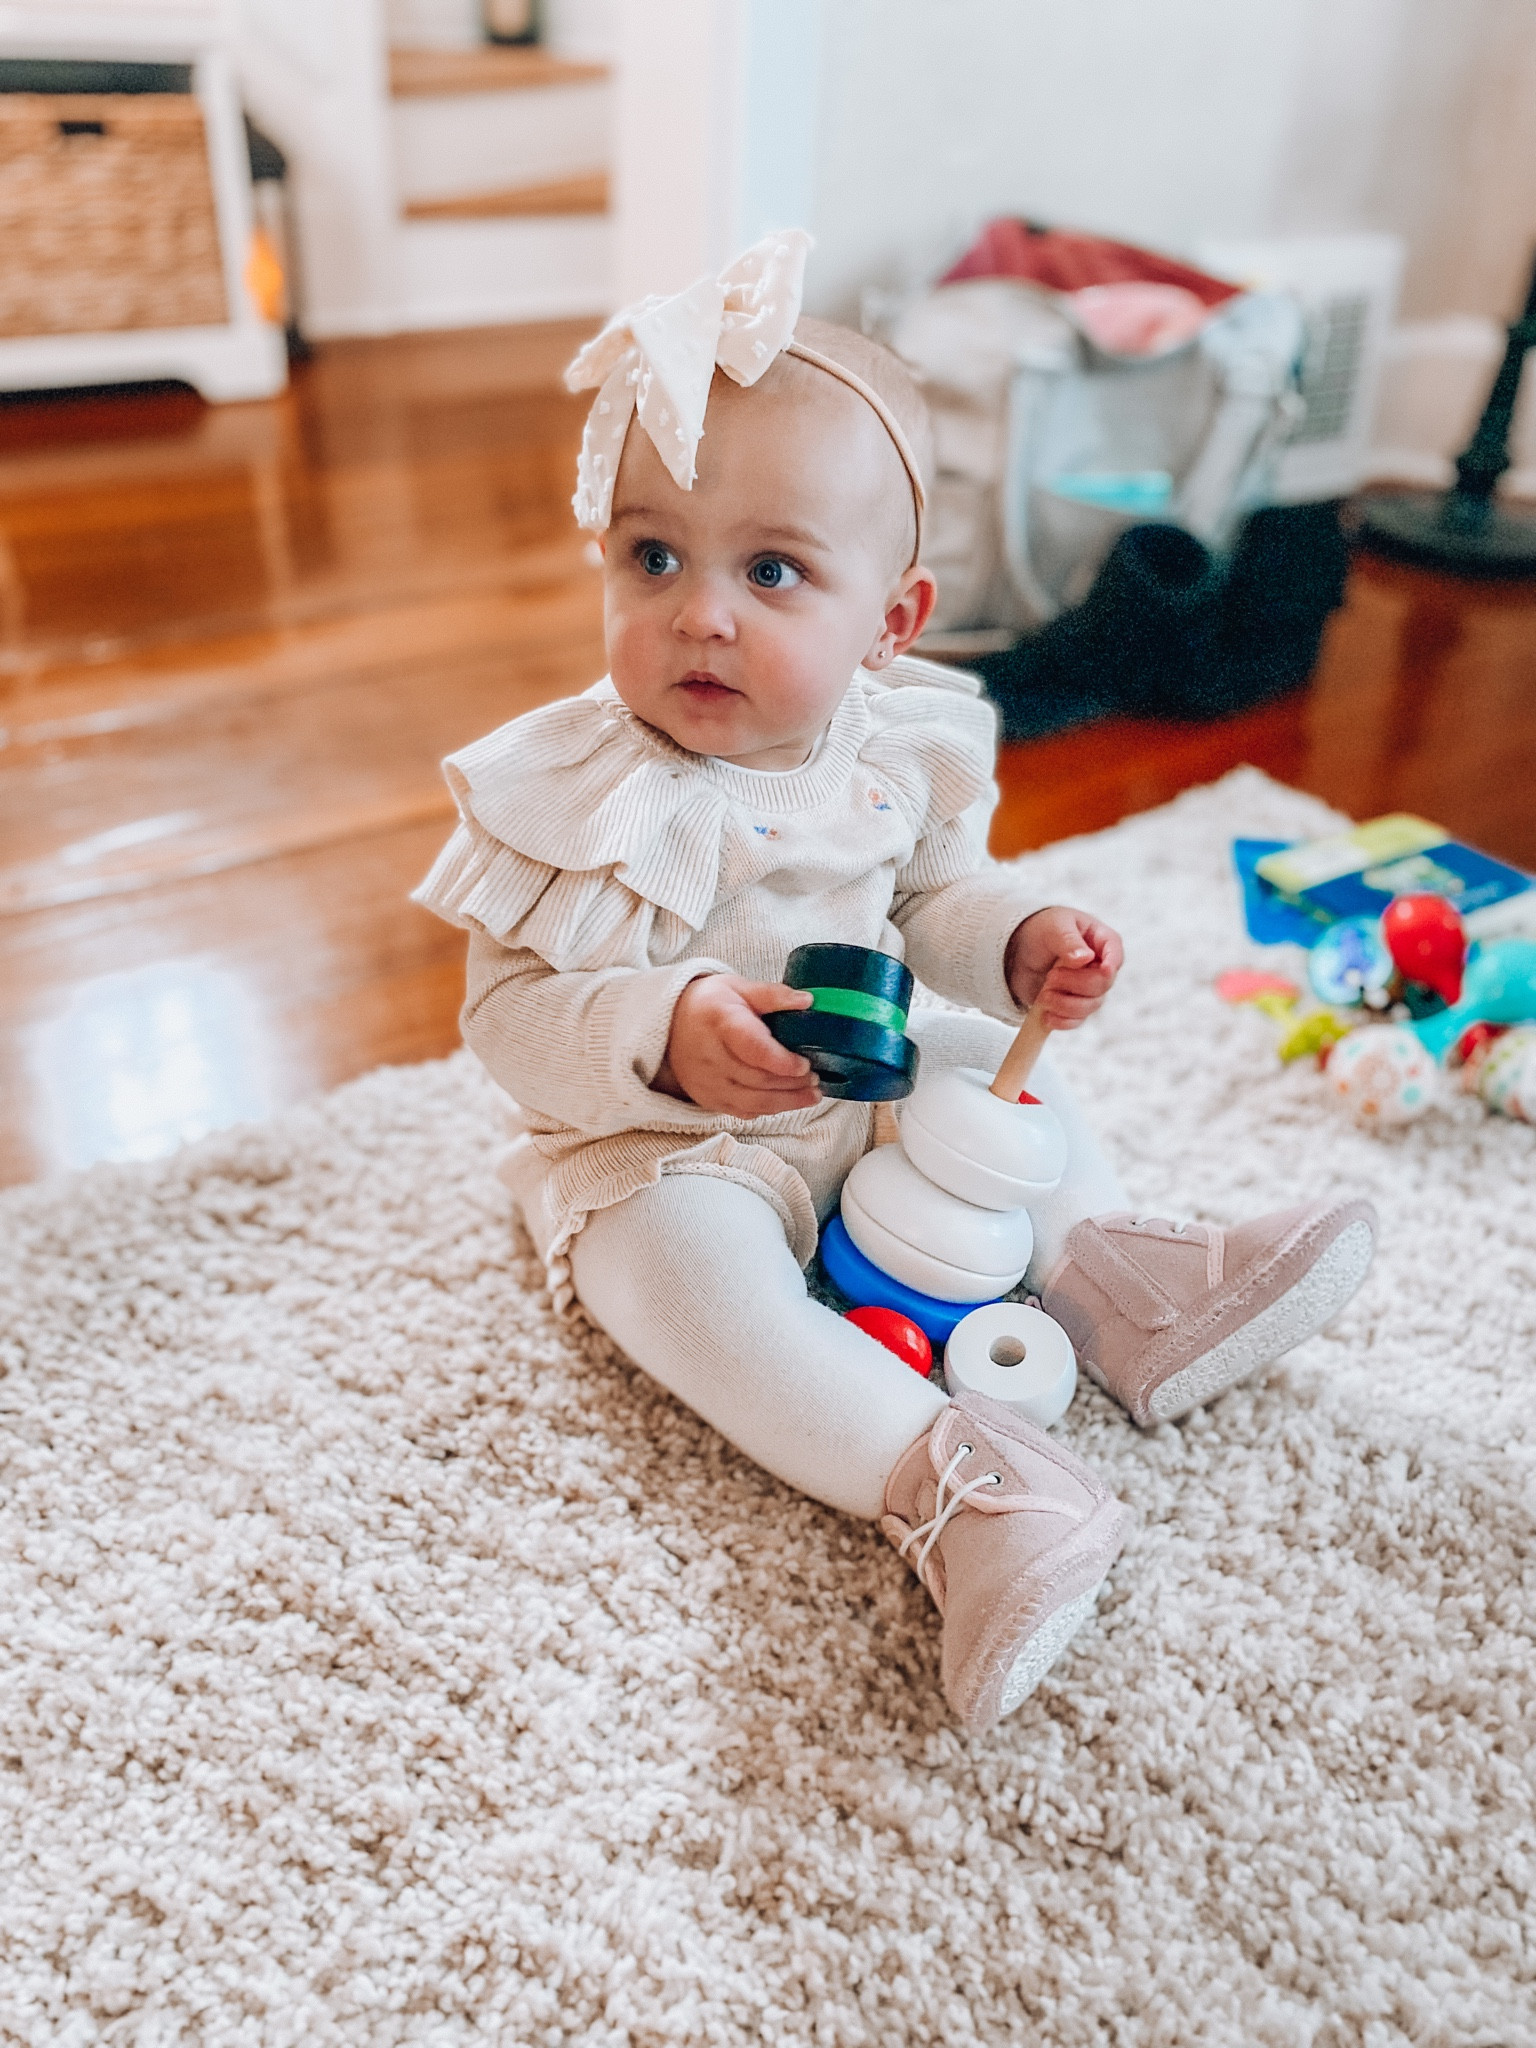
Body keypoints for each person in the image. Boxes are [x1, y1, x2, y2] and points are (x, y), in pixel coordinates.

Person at [415, 233, 1376, 1733]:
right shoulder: (579, 787)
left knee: (1000, 1083)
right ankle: (958, 1488)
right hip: (665, 1149)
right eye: (652, 555)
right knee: (679, 1280)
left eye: (774, 570)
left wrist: (1019, 941)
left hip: (861, 1097)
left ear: (895, 622)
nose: (701, 613)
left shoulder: (898, 749)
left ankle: (1124, 1281)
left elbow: (937, 896)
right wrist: (659, 1031)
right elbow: (507, 1017)